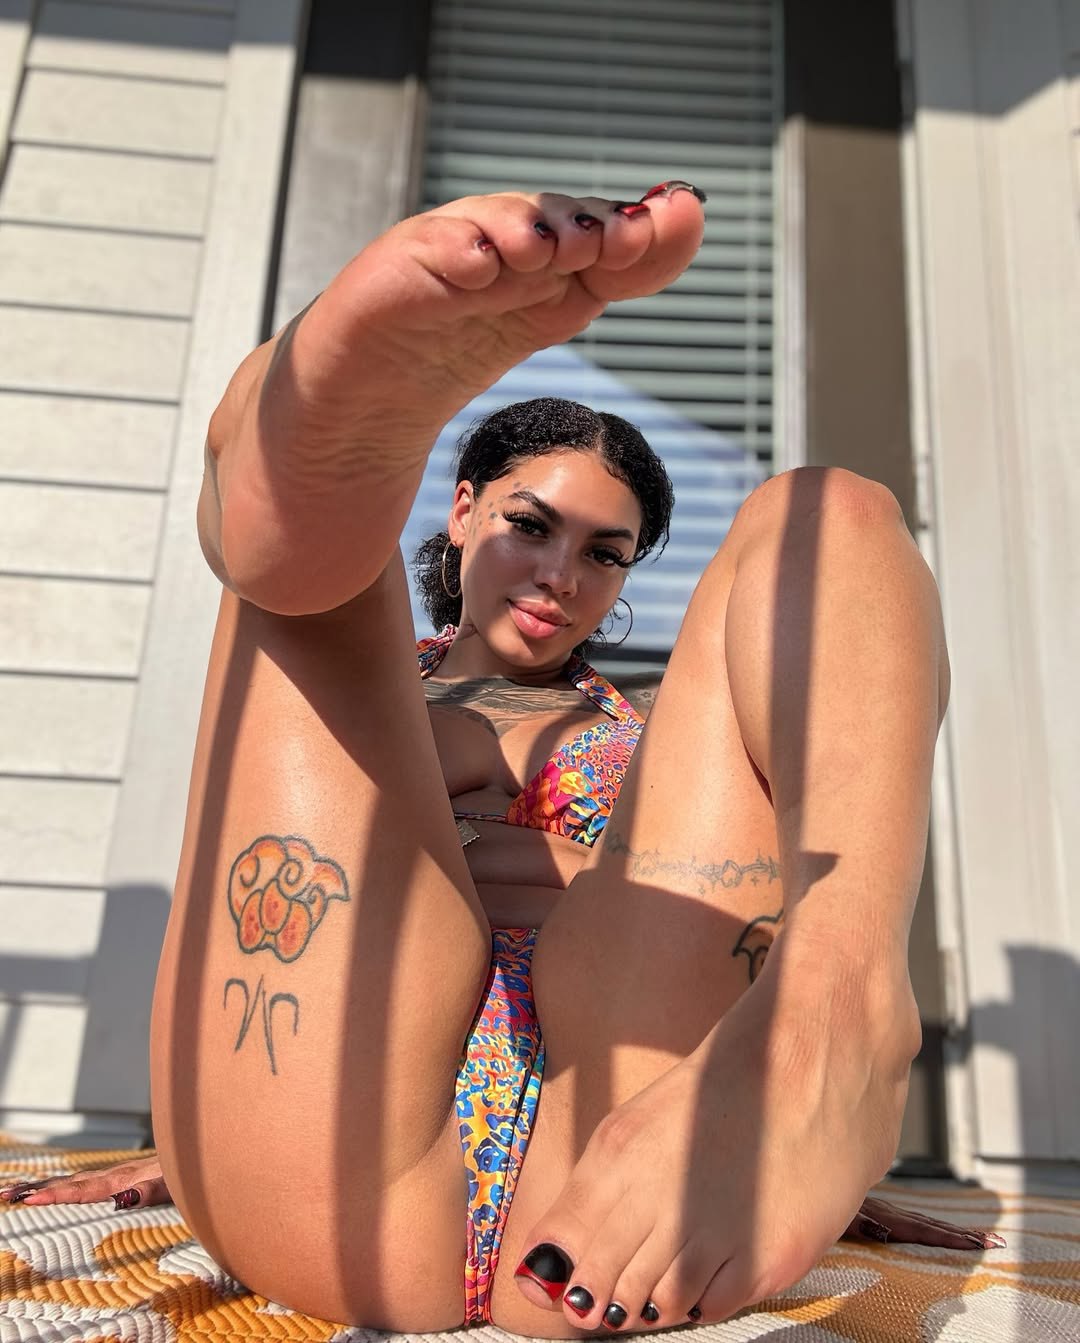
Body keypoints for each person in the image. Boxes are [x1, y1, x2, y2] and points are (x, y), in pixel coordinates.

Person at [1, 184, 1004, 1333]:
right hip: (335, 1128)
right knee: (309, 593)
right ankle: (321, 441)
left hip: (633, 1133)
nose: (561, 574)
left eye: (605, 553)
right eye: (531, 524)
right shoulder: (359, 695)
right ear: (466, 509)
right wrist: (205, 1121)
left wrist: (787, 1131)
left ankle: (835, 1019)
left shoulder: (671, 731)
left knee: (829, 511)